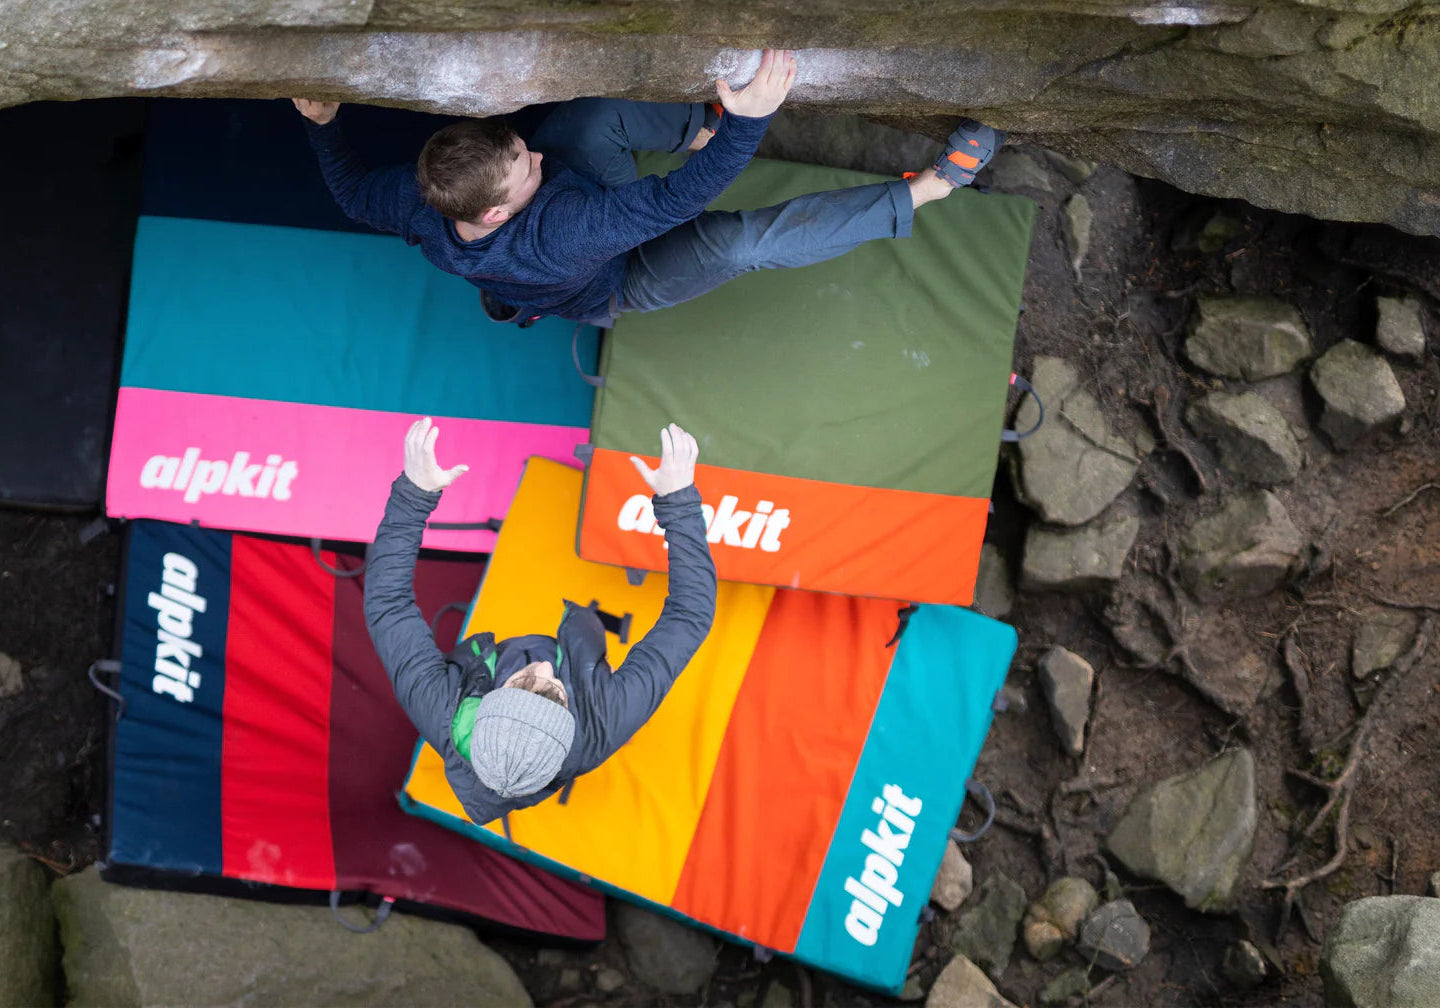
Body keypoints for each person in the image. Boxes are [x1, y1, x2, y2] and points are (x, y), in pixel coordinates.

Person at [292, 49, 1001, 326]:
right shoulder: (565, 230)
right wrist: (749, 126)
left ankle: (699, 123)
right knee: (741, 243)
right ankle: (929, 190)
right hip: (615, 282)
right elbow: (675, 201)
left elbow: (353, 195)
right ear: (502, 209)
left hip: (565, 235)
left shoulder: (422, 200)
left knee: (591, 121)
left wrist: (324, 124)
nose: (534, 151)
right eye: (524, 164)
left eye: (517, 143)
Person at [364, 417, 715, 824]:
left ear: (484, 707)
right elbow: (690, 615)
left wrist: (415, 495)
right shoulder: (605, 720)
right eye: (555, 692)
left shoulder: (440, 707)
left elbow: (388, 605)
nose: (545, 667)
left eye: (524, 682)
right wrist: (679, 502)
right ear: (570, 724)